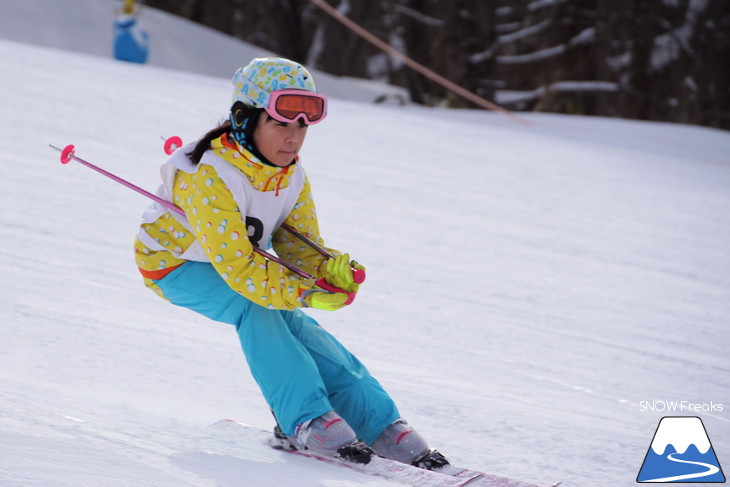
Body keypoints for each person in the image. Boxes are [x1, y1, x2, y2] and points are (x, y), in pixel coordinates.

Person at [133, 57, 448, 468]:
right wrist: (303, 291)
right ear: (245, 120)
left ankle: (380, 423)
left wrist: (327, 271)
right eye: (281, 123)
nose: (293, 137)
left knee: (296, 324)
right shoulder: (210, 176)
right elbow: (240, 269)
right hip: (174, 265)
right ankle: (304, 419)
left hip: (239, 265)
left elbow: (298, 246)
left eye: (302, 126)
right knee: (258, 307)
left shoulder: (290, 173)